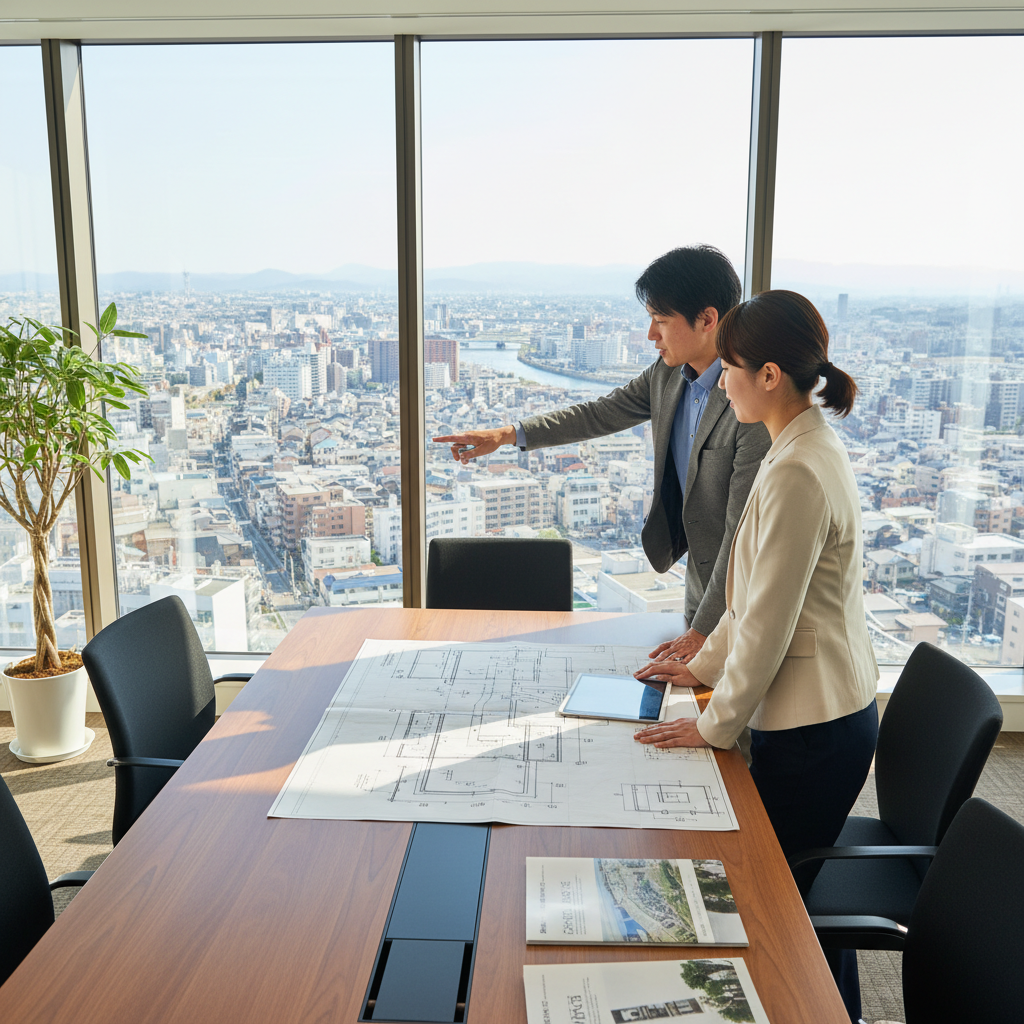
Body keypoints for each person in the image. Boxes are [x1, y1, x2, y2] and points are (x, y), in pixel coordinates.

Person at [632, 289, 878, 1023]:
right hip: (816, 713)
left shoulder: (799, 467)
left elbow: (767, 626)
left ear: (770, 375)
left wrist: (711, 725)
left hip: (814, 730)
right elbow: (754, 602)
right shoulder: (797, 444)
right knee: (775, 902)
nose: (720, 382)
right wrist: (703, 668)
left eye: (731, 368)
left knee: (764, 907)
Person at [433, 245, 770, 663]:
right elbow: (599, 414)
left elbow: (741, 536)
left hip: (745, 599)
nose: (651, 335)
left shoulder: (752, 401)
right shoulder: (667, 376)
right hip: (700, 587)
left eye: (660, 321)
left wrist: (703, 632)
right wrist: (507, 435)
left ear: (707, 319)